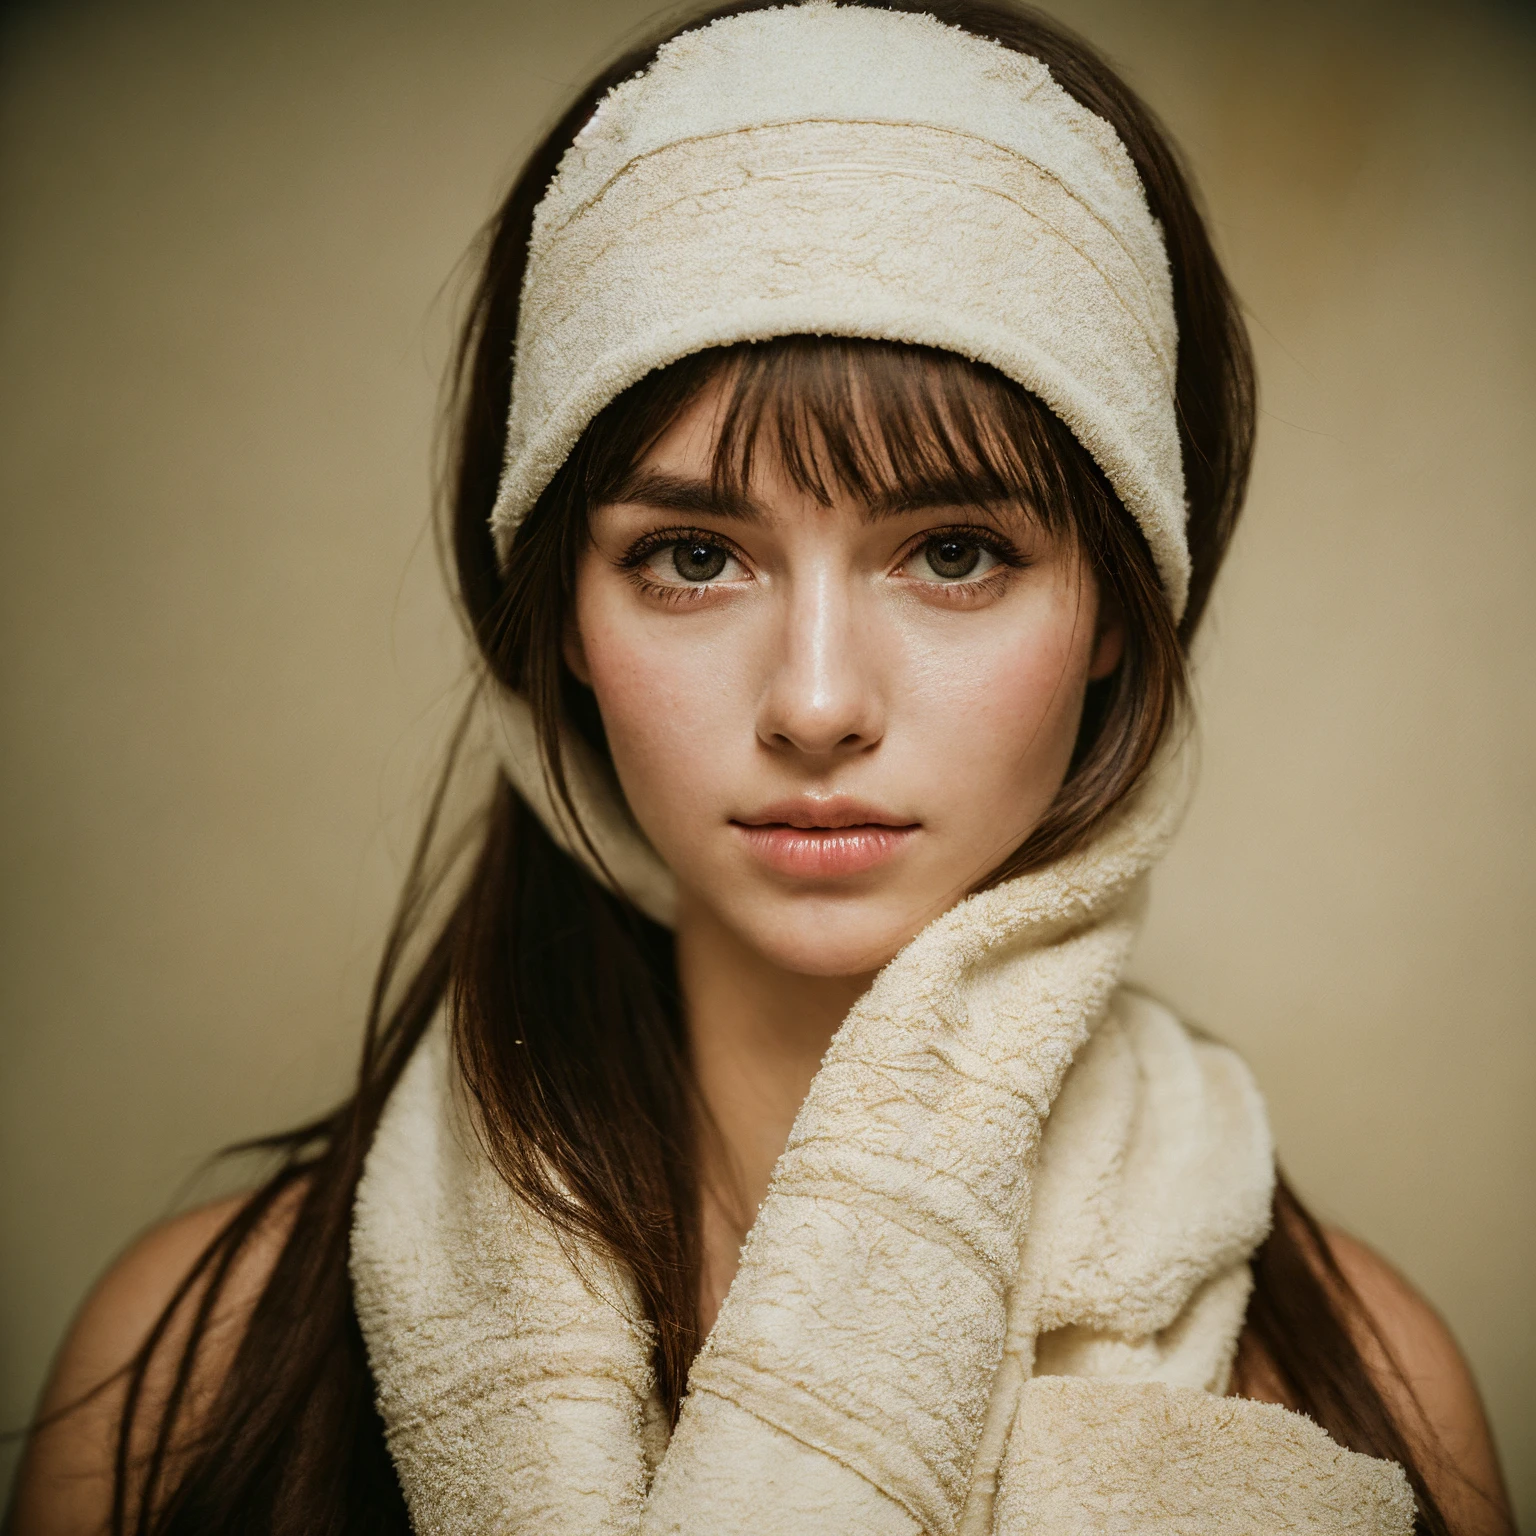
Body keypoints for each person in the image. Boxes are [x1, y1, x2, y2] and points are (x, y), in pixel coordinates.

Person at [7, 2, 1515, 1533]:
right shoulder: (187, 1377)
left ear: (1123, 608)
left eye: (952, 553)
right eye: (690, 557)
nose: (814, 702)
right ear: (564, 627)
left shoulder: (1364, 1396)